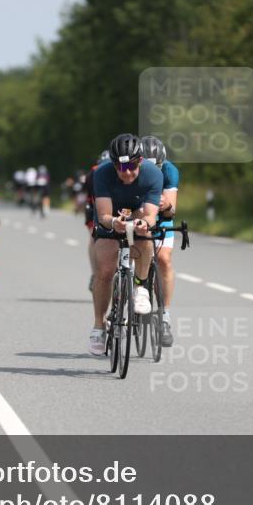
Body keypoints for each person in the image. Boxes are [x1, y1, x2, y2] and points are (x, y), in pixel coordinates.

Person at [88, 134, 163, 355]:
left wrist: (142, 223)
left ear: (140, 161)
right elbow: (103, 214)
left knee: (145, 237)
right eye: (121, 167)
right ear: (112, 164)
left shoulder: (153, 174)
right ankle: (99, 326)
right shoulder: (101, 174)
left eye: (131, 165)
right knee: (104, 271)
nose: (127, 172)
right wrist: (113, 222)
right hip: (111, 216)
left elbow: (150, 215)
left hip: (139, 212)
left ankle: (140, 288)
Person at [141, 136, 179, 347]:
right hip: (137, 214)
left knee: (164, 259)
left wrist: (164, 205)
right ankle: (122, 301)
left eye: (156, 167)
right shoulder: (130, 169)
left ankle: (164, 315)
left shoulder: (170, 171)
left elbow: (172, 209)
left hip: (161, 220)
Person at [84, 150, 111, 291]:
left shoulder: (93, 171)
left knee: (94, 238)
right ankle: (96, 273)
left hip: (95, 204)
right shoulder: (95, 173)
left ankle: (95, 273)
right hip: (97, 204)